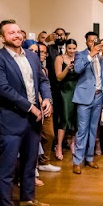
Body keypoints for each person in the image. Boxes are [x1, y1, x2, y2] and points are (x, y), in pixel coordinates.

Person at [0, 20, 52, 206]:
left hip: (33, 120)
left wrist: (47, 98)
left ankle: (28, 198)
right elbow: (3, 89)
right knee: (7, 166)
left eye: (18, 31)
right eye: (11, 32)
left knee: (29, 161)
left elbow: (43, 80)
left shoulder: (32, 56)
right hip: (10, 119)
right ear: (2, 37)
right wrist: (30, 107)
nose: (16, 35)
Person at [72, 32, 103, 174]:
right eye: (90, 41)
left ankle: (89, 157)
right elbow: (77, 69)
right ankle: (77, 161)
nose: (93, 43)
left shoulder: (102, 59)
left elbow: (101, 78)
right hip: (84, 97)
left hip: (98, 96)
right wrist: (90, 55)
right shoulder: (80, 55)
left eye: (95, 41)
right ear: (86, 42)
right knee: (82, 130)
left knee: (93, 130)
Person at [36, 42, 60, 173]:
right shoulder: (31, 66)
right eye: (41, 52)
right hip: (34, 106)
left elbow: (45, 86)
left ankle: (45, 161)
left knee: (49, 134)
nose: (43, 55)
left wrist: (48, 101)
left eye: (45, 52)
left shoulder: (44, 69)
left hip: (46, 105)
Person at [54, 39, 79, 160]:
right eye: (70, 48)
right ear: (66, 48)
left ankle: (73, 144)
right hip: (65, 91)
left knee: (76, 119)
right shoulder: (60, 58)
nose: (72, 51)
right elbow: (58, 77)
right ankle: (58, 146)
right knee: (64, 118)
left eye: (74, 48)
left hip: (77, 90)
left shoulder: (79, 57)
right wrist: (67, 69)